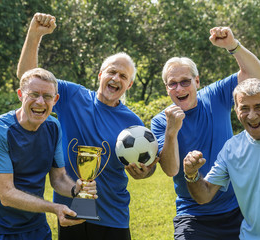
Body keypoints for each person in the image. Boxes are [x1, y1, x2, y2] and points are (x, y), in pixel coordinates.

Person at [17, 13, 157, 240]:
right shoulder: (72, 95)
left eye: (123, 76)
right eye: (111, 71)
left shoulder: (133, 123)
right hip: (71, 211)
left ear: (129, 84)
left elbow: (147, 168)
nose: (115, 78)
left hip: (113, 215)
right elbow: (28, 78)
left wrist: (144, 173)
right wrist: (34, 35)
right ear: (100, 75)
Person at [151, 27, 260, 239]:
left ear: (197, 81)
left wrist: (232, 45)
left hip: (237, 208)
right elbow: (171, 169)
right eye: (172, 84)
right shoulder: (160, 121)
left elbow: (256, 74)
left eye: (185, 81)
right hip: (193, 215)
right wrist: (171, 131)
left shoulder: (215, 95)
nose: (179, 89)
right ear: (166, 88)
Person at [0, 68, 97, 240]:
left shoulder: (53, 127)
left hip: (37, 229)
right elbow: (6, 194)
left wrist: (76, 189)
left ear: (55, 100)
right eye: (33, 94)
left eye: (47, 96)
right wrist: (54, 207)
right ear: (20, 95)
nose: (40, 102)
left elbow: (59, 178)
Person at [183, 78, 260, 239]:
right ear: (236, 111)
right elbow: (204, 195)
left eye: (259, 107)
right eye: (244, 108)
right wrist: (192, 175)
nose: (251, 115)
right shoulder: (231, 149)